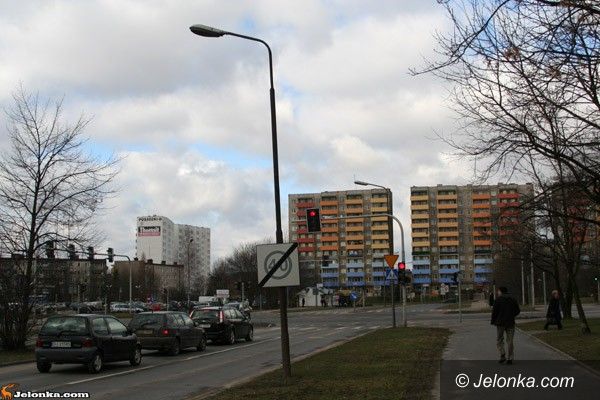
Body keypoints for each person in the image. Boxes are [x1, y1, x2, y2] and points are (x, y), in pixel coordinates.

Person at [491, 286, 520, 364]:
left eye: (498, 291)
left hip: (500, 323)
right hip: (510, 322)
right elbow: (517, 310)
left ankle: (502, 354)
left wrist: (493, 321)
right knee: (510, 340)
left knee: (500, 339)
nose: (497, 292)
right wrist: (512, 315)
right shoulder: (513, 299)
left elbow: (494, 312)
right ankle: (510, 358)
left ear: (500, 291)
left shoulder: (498, 300)